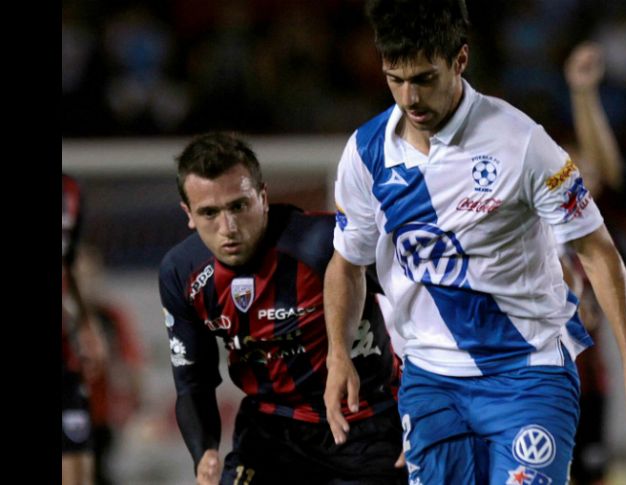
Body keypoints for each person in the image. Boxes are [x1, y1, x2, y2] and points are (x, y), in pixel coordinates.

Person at [323, 1, 626, 484]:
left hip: (528, 372)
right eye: (396, 79)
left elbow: (597, 252)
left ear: (460, 60)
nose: (409, 97)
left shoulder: (522, 143)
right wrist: (338, 355)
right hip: (430, 381)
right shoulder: (365, 153)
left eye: (425, 78)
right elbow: (347, 263)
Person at [158, 132, 406, 484]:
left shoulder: (327, 243)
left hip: (365, 426)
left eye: (238, 206)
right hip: (271, 432)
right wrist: (205, 452)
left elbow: (425, 307)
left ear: (263, 197)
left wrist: (423, 412)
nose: (228, 228)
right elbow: (192, 383)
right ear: (189, 214)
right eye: (209, 213)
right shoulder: (181, 273)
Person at [75, 245, 144, 485]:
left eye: (88, 274)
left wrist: (135, 406)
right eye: (74, 275)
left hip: (99, 419)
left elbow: (132, 365)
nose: (82, 283)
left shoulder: (110, 317)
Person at [62, 173, 105, 485]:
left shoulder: (71, 189)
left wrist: (89, 326)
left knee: (79, 467)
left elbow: (70, 262)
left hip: (65, 351)